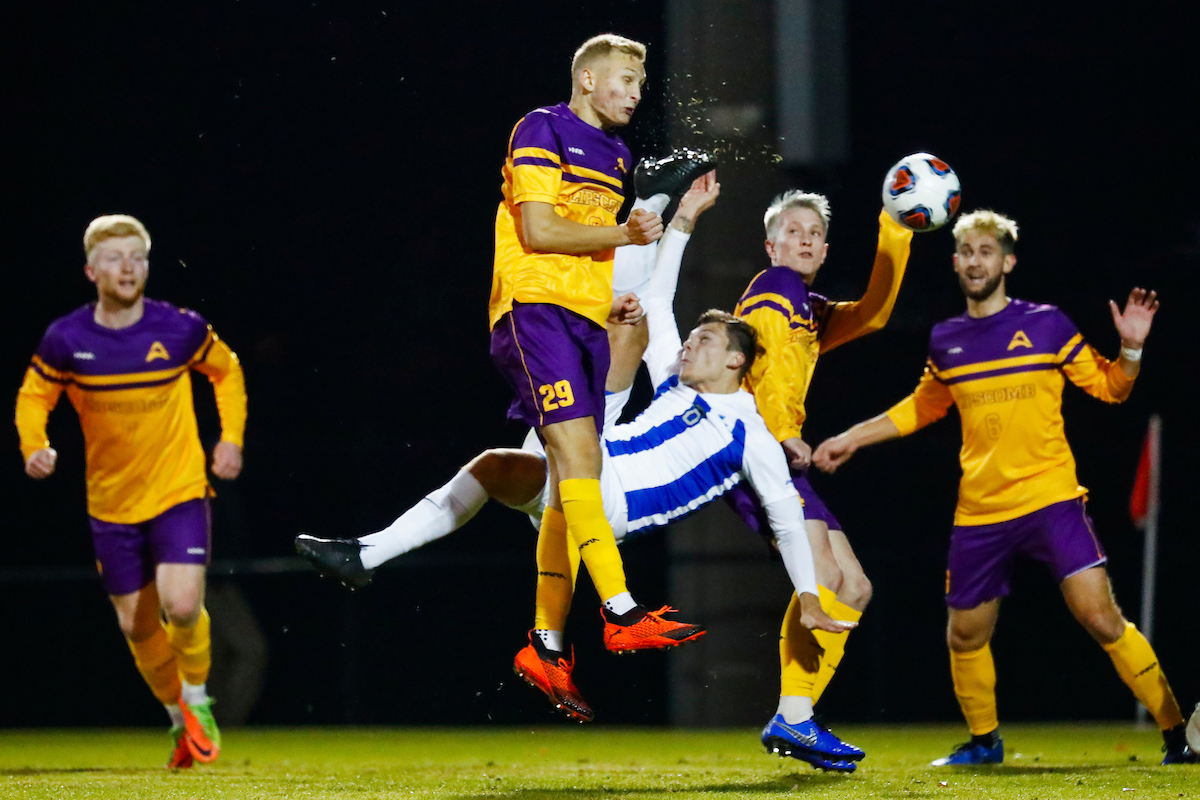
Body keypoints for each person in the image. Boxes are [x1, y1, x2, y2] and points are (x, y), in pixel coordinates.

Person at [297, 174, 862, 767]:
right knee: (524, 433)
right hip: (589, 465)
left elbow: (786, 518)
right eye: (692, 339)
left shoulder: (750, 433)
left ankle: (604, 620)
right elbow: (661, 301)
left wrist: (807, 593)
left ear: (735, 359)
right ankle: (364, 556)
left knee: (546, 415)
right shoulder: (677, 385)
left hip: (610, 501)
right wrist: (685, 221)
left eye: (703, 340)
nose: (687, 346)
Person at [812, 209, 1196, 766]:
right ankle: (984, 743)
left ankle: (1175, 734)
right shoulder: (946, 339)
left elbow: (1112, 388)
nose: (975, 261)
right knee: (964, 636)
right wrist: (852, 437)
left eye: (986, 252)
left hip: (1051, 499)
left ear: (1007, 262)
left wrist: (1131, 349)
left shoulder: (1046, 325)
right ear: (954, 262)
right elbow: (922, 406)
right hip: (981, 513)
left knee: (1101, 617)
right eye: (966, 252)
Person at [487, 34, 704, 665]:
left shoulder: (615, 154)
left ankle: (546, 643)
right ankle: (621, 611)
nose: (636, 93)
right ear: (586, 79)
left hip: (578, 316)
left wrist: (601, 300)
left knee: (569, 481)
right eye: (624, 79)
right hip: (532, 310)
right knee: (579, 457)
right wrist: (626, 230)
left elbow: (580, 248)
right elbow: (537, 228)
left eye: (640, 83)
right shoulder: (541, 128)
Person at [15, 215, 246, 769]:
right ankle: (178, 723)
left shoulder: (180, 328)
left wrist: (230, 439)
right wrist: (33, 446)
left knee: (183, 604)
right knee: (136, 625)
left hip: (179, 490)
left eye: (137, 258)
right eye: (116, 258)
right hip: (112, 505)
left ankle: (196, 699)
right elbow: (32, 396)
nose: (128, 267)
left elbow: (226, 370)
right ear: (91, 270)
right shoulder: (67, 338)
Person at [728, 191, 912, 766]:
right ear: (771, 245)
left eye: (814, 233)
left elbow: (874, 314)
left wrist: (896, 230)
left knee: (853, 587)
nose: (805, 239)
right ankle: (796, 719)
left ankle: (795, 718)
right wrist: (784, 432)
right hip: (753, 448)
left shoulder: (807, 306)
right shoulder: (774, 289)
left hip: (776, 453)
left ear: (826, 249)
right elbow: (771, 366)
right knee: (827, 574)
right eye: (793, 230)